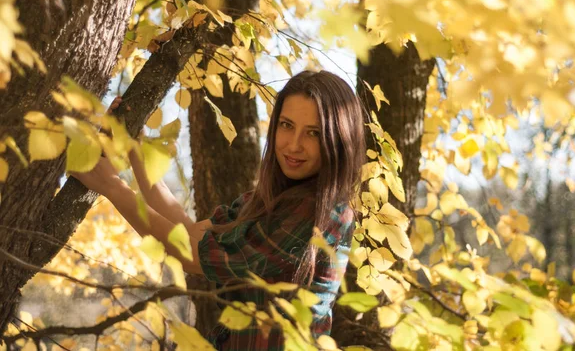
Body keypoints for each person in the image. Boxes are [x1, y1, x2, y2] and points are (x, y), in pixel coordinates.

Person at [72, 70, 366, 349]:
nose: (294, 144)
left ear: (337, 141)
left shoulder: (320, 214)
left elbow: (190, 255)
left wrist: (112, 187)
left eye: (313, 133)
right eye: (287, 126)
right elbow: (190, 234)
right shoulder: (266, 202)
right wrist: (134, 150)